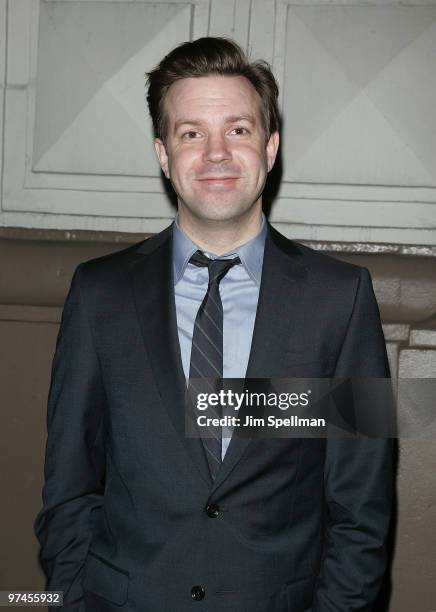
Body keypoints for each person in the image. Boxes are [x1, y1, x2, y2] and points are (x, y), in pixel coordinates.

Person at [34, 37, 393, 611]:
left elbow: (361, 507)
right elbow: (69, 489)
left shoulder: (341, 297)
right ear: (162, 153)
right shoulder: (99, 294)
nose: (216, 153)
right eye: (192, 133)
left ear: (270, 148)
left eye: (239, 130)